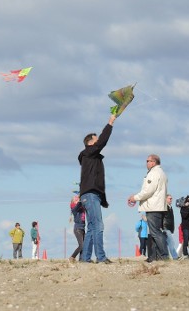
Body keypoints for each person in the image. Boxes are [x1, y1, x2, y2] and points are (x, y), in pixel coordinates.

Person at [78, 113, 117, 264]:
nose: (98, 142)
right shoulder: (88, 152)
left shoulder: (90, 156)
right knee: (98, 226)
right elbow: (102, 142)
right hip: (90, 195)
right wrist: (110, 122)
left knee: (92, 227)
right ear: (90, 144)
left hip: (90, 195)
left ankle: (85, 258)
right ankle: (100, 257)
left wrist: (103, 199)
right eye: (95, 140)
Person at [127, 153, 169, 262]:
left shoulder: (154, 173)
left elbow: (148, 191)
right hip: (158, 206)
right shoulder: (162, 173)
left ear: (153, 162)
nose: (146, 163)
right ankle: (153, 256)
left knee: (155, 232)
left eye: (148, 161)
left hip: (153, 206)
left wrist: (135, 198)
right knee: (154, 232)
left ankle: (164, 255)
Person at [69, 194, 86, 262]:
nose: (77, 199)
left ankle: (81, 259)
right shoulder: (74, 209)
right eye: (76, 199)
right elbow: (78, 205)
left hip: (82, 228)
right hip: (77, 229)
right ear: (73, 202)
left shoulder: (81, 207)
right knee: (81, 245)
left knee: (84, 246)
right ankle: (72, 257)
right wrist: (80, 198)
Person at [163, 194, 179, 259]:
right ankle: (175, 257)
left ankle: (165, 257)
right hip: (165, 227)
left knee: (166, 244)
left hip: (169, 228)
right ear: (166, 199)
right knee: (171, 243)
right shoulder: (164, 207)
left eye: (171, 198)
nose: (171, 200)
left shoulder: (170, 207)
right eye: (170, 198)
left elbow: (171, 219)